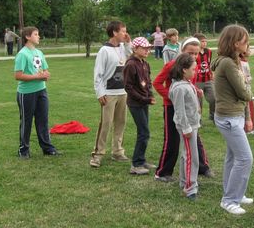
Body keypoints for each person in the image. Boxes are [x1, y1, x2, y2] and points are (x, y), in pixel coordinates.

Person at [153, 37, 213, 182]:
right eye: (190, 53)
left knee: (195, 136)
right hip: (171, 107)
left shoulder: (194, 66)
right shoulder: (171, 66)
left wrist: (196, 91)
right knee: (171, 139)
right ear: (182, 51)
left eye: (196, 53)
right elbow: (157, 83)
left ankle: (202, 167)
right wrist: (171, 96)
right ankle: (163, 172)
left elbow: (188, 84)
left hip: (188, 109)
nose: (193, 56)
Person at [211, 24, 254, 215]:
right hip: (228, 118)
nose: (248, 44)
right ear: (236, 43)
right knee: (245, 158)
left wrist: (246, 117)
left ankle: (236, 193)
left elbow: (243, 92)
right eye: (245, 41)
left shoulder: (233, 60)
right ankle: (229, 200)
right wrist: (247, 86)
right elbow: (244, 92)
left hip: (234, 115)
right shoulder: (228, 63)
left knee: (233, 157)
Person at [90, 21, 132, 168]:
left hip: (123, 92)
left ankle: (117, 152)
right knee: (106, 124)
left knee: (121, 123)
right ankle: (98, 154)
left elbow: (130, 57)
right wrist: (100, 92)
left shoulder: (122, 47)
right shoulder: (104, 51)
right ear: (114, 32)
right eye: (123, 31)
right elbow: (98, 74)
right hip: (109, 93)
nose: (125, 34)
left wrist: (127, 43)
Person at [14, 26, 59, 159]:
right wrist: (38, 77)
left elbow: (44, 70)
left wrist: (46, 75)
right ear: (27, 37)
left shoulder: (39, 53)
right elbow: (18, 75)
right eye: (36, 34)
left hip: (41, 91)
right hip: (26, 93)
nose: (39, 36)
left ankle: (47, 148)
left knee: (43, 120)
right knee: (26, 121)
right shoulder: (22, 54)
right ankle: (23, 150)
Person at [169, 53, 201, 200]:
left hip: (192, 124)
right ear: (184, 70)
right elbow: (180, 111)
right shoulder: (179, 88)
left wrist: (196, 92)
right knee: (191, 156)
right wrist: (186, 128)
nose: (195, 72)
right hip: (187, 127)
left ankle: (184, 182)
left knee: (186, 154)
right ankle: (190, 188)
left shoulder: (186, 84)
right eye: (193, 69)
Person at [123, 37, 156, 175]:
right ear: (135, 49)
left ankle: (141, 160)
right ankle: (136, 165)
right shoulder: (131, 64)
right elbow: (128, 87)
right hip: (136, 103)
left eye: (148, 48)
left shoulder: (145, 63)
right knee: (144, 132)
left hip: (144, 102)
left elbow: (148, 82)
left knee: (143, 132)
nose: (147, 50)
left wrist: (150, 95)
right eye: (144, 48)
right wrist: (144, 98)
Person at [193, 33, 216, 121]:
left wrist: (212, 73)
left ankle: (212, 115)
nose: (204, 43)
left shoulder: (209, 51)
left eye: (206, 41)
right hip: (197, 80)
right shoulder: (194, 52)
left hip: (208, 79)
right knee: (198, 101)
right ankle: (198, 119)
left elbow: (209, 63)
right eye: (202, 41)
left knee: (213, 98)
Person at [240, 45, 254, 134]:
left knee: (251, 107)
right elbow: (243, 77)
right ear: (243, 53)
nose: (250, 51)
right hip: (244, 89)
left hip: (248, 88)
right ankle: (247, 128)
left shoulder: (245, 62)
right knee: (247, 109)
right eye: (248, 49)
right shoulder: (241, 63)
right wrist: (249, 78)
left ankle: (249, 128)